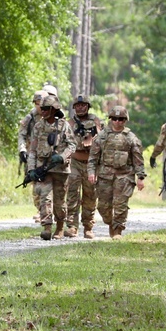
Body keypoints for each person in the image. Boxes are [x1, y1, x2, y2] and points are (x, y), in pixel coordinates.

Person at [88, 105, 145, 239]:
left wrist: (140, 177)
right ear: (110, 119)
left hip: (124, 176)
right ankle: (110, 223)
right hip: (104, 176)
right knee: (103, 206)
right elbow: (93, 158)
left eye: (120, 119)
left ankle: (118, 230)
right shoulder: (101, 137)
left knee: (120, 204)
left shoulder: (131, 138)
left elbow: (138, 159)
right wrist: (91, 172)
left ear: (125, 120)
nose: (117, 122)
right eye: (114, 119)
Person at [27, 94, 76, 240]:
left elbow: (72, 145)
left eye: (47, 108)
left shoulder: (63, 125)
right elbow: (33, 150)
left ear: (54, 109)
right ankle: (47, 227)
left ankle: (60, 227)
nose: (43, 111)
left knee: (60, 201)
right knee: (44, 197)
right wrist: (31, 170)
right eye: (42, 108)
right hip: (43, 168)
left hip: (60, 170)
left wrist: (62, 156)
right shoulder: (38, 126)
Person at [66, 95, 103, 239]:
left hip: (90, 163)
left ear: (88, 106)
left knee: (90, 195)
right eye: (78, 105)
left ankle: (88, 227)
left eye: (83, 105)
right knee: (72, 194)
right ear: (74, 107)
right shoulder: (69, 123)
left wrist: (92, 139)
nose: (80, 108)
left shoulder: (94, 121)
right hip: (75, 161)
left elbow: (100, 137)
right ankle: (72, 226)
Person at [18, 90, 46, 221]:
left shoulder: (54, 116)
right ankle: (41, 210)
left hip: (49, 155)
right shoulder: (29, 118)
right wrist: (22, 150)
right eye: (37, 103)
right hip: (33, 156)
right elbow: (22, 135)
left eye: (41, 103)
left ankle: (50, 211)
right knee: (35, 184)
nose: (39, 106)